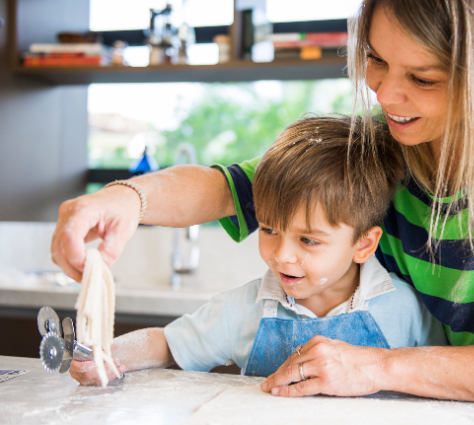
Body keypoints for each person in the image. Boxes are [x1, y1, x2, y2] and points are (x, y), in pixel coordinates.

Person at [52, 0, 474, 408]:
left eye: (422, 79)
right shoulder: (385, 145)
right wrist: (127, 198)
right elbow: (234, 188)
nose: (386, 94)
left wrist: (373, 367)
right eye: (375, 59)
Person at [68, 116, 447, 386]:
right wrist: (107, 355)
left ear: (363, 244)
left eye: (308, 240)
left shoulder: (403, 308)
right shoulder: (245, 309)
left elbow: (441, 381)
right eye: (269, 229)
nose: (282, 255)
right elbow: (168, 344)